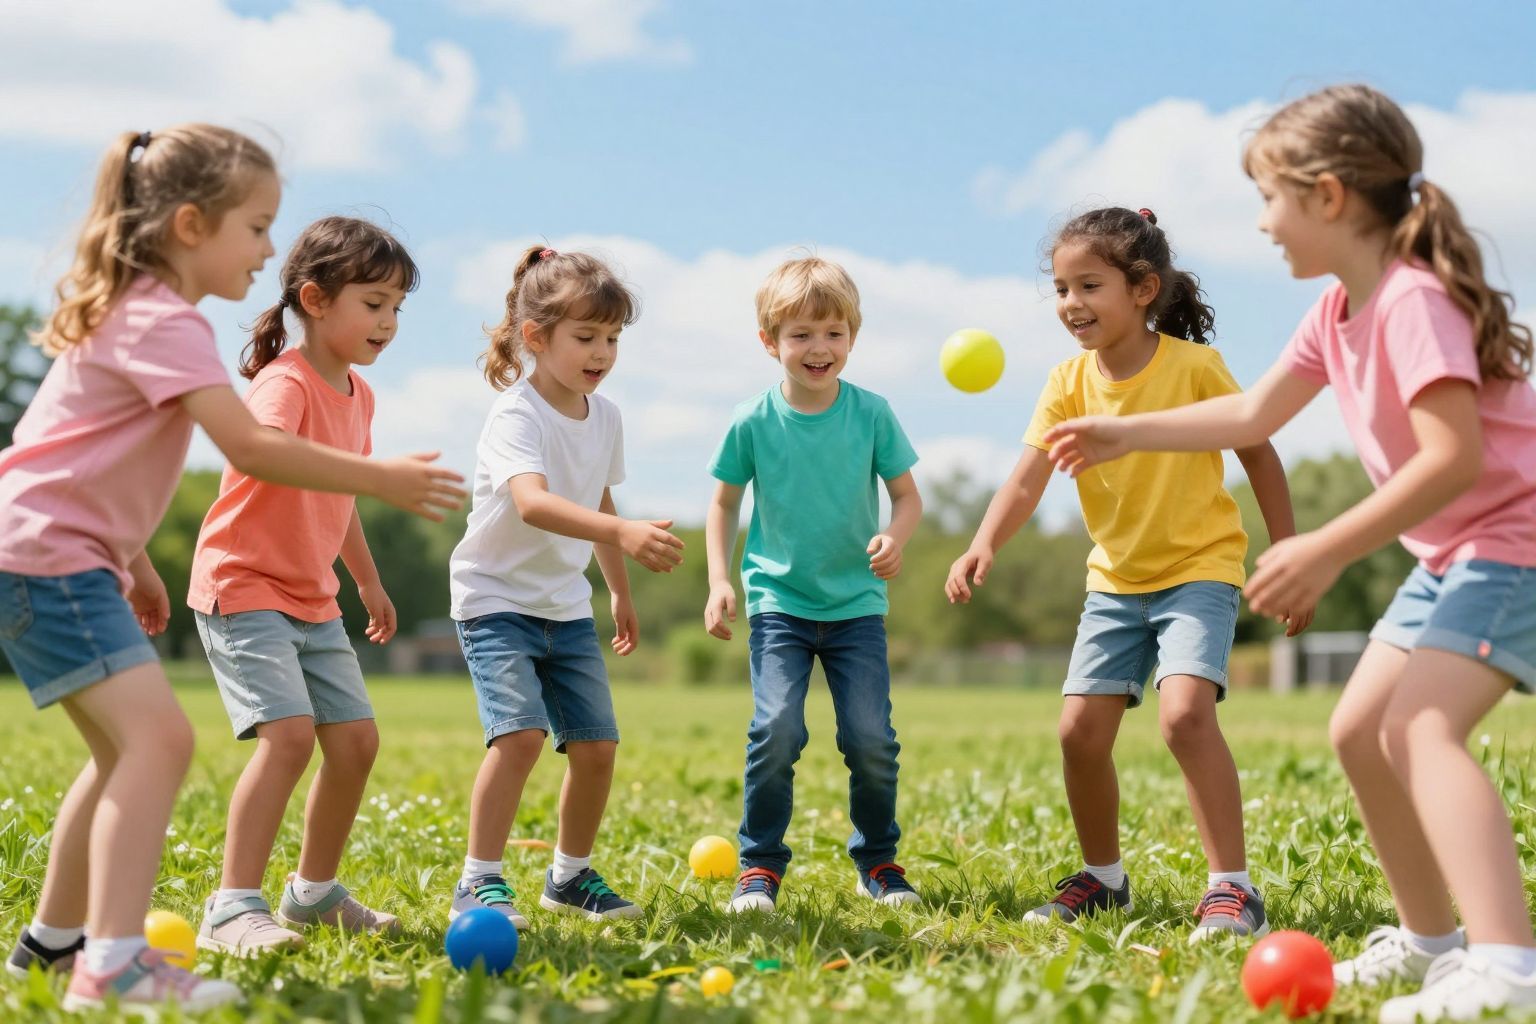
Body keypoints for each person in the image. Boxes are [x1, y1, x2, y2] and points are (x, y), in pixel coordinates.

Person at [1044, 85, 1536, 1023]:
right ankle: (1434, 945)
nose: (1263, 223)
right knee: (1359, 732)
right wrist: (1125, 434)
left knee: (1422, 732)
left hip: (1509, 545)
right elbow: (1253, 414)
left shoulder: (1411, 301)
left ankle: (1509, 964)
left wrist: (1323, 549)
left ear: (1327, 195)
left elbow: (1456, 457)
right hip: (1453, 552)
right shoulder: (1337, 311)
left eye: (1269, 197)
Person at [0, 125, 462, 1012]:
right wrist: (386, 478)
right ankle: (120, 962)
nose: (266, 251)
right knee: (160, 742)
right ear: (188, 225)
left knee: (113, 756)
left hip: (55, 553)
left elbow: (69, 453)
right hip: (50, 558)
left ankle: (51, 949)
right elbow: (252, 446)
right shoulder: (163, 322)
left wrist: (131, 557)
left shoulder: (141, 316)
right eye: (256, 229)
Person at [948, 206, 1305, 941]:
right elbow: (1026, 478)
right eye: (1060, 289)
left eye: (1088, 285)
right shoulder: (1067, 381)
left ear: (1143, 289)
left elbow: (1258, 450)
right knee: (1079, 731)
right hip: (1113, 581)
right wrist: (984, 540)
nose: (1070, 304)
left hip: (1198, 569)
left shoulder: (1194, 368)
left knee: (1184, 716)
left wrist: (1288, 546)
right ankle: (1104, 880)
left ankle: (1232, 889)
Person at [191, 217, 423, 955]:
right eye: (374, 302)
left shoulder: (360, 396)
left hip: (311, 595)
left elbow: (338, 496)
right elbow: (266, 458)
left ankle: (312, 894)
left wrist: (368, 582)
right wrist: (379, 479)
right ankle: (232, 907)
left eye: (396, 307)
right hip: (244, 582)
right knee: (288, 739)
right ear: (316, 300)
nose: (387, 322)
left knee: (355, 743)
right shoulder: (285, 385)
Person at [448, 246, 681, 926]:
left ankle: (570, 876)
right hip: (495, 600)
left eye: (612, 338)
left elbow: (600, 500)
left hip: (564, 606)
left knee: (596, 747)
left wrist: (620, 590)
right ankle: (479, 879)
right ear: (536, 337)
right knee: (518, 737)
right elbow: (535, 503)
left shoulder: (604, 416)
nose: (601, 351)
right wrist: (625, 534)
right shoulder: (516, 414)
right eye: (586, 337)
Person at [704, 255, 924, 913]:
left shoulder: (872, 414)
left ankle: (879, 862)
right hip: (780, 603)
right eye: (801, 334)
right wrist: (720, 580)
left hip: (856, 605)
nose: (818, 348)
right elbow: (722, 504)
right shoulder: (752, 420)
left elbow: (908, 497)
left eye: (832, 332)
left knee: (869, 739)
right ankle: (759, 867)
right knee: (776, 729)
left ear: (852, 338)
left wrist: (896, 536)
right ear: (770, 342)